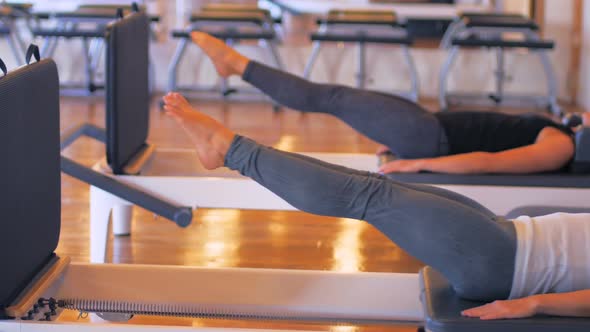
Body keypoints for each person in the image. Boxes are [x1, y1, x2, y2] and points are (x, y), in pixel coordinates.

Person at [162, 91, 590, 321]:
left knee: (366, 198)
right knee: (368, 187)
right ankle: (230, 150)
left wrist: (534, 305)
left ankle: (229, 150)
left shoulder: (556, 145)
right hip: (510, 237)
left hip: (503, 263)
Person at [186, 32, 576, 175]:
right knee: (332, 96)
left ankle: (234, 63)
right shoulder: (563, 129)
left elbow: (488, 163)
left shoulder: (561, 146)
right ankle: (233, 64)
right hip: (426, 127)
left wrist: (419, 163)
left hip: (427, 138)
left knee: (328, 97)